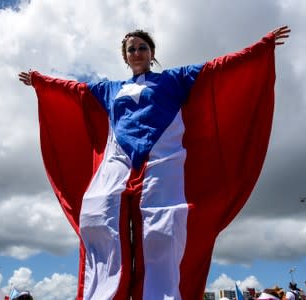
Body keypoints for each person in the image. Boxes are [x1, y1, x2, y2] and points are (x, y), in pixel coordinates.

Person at [19, 26, 290, 300]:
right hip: (119, 165)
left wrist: (260, 48)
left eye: (142, 48)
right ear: (125, 57)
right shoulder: (110, 89)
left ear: (152, 53)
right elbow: (75, 90)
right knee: (98, 220)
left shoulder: (175, 79)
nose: (137, 52)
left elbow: (217, 68)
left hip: (162, 162)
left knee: (163, 231)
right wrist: (41, 81)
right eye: (131, 49)